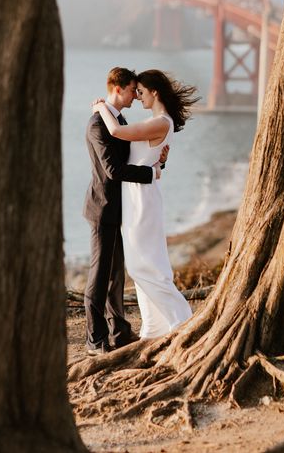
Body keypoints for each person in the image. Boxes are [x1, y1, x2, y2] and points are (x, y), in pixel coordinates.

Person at [92, 69, 199, 338]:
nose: (138, 97)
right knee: (144, 264)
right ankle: (154, 330)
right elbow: (144, 156)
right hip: (135, 195)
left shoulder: (161, 122)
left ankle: (182, 323)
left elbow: (116, 131)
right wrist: (159, 162)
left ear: (155, 92)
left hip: (142, 198)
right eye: (135, 92)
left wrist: (100, 106)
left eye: (141, 92)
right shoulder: (156, 122)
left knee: (145, 266)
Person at [83, 67, 168, 355]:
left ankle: (119, 332)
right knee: (99, 274)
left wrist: (158, 161)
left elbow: (137, 155)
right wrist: (151, 174)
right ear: (118, 89)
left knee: (116, 274)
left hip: (122, 208)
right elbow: (114, 169)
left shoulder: (118, 119)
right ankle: (95, 340)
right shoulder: (98, 123)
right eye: (133, 90)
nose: (135, 95)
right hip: (103, 209)